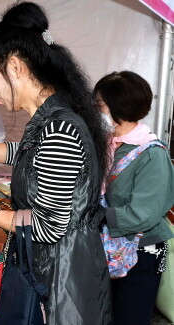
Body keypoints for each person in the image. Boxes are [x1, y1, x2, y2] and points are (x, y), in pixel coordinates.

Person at [0, 2, 112, 323]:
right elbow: (33, 154)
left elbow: (48, 225)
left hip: (61, 279)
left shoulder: (59, 127)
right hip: (58, 268)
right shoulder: (53, 118)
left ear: (16, 67)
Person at [94, 71, 174, 325]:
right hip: (107, 246)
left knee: (130, 317)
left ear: (117, 107)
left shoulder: (151, 154)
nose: (95, 110)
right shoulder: (108, 144)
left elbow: (144, 213)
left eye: (99, 105)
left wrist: (99, 215)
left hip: (141, 252)